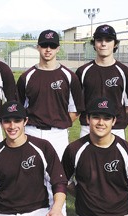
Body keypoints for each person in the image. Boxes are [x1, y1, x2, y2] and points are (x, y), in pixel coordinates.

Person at [17, 29, 84, 160]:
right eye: (44, 45)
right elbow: (19, 108)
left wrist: (57, 123)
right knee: (31, 174)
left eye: (52, 46)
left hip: (58, 134)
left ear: (58, 48)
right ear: (38, 47)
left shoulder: (69, 76)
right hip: (32, 131)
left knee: (60, 175)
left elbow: (75, 110)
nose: (48, 49)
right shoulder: (26, 77)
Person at [76, 24, 128, 139]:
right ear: (94, 44)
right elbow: (76, 104)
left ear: (115, 44)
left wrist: (120, 124)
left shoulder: (125, 72)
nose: (103, 44)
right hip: (88, 128)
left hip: (116, 129)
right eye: (99, 40)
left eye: (108, 40)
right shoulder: (82, 71)